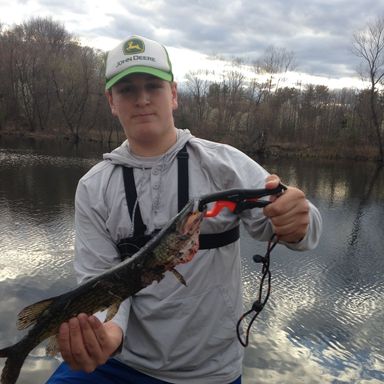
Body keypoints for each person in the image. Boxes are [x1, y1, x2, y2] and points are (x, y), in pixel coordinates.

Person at [46, 35, 322, 384]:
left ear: (173, 94)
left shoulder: (225, 165)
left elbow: (302, 232)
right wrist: (107, 336)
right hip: (119, 362)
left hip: (209, 374)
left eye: (153, 86)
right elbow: (101, 282)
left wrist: (298, 221)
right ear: (111, 101)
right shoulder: (93, 187)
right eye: (127, 89)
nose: (142, 99)